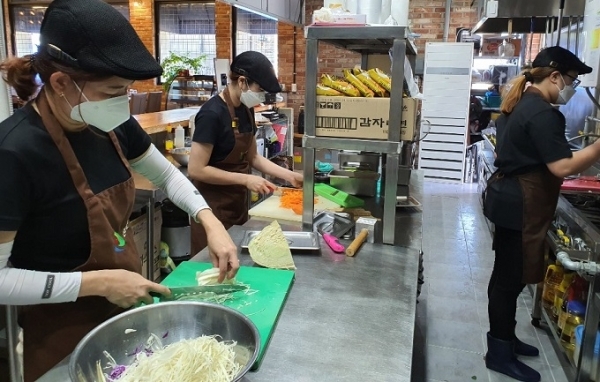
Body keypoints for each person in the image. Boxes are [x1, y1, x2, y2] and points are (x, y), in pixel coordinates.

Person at [0, 0, 238, 380]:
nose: (121, 103)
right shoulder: (15, 152)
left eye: (126, 91)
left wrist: (209, 221)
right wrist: (101, 283)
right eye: (113, 91)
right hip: (60, 336)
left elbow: (169, 177)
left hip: (126, 317)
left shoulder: (112, 125)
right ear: (61, 83)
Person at [483, 46, 599, 382]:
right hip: (520, 204)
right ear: (554, 76)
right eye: (572, 80)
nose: (572, 88)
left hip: (509, 201)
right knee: (509, 282)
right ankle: (499, 353)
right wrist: (598, 146)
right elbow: (562, 166)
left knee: (506, 278)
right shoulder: (542, 112)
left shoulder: (521, 102)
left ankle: (505, 340)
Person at [188, 51, 303, 255]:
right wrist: (246, 179)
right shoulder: (211, 114)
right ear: (242, 82)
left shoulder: (246, 109)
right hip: (211, 206)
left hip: (237, 202)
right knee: (211, 269)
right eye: (260, 89)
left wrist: (290, 175)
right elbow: (196, 169)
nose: (261, 96)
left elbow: (253, 157)